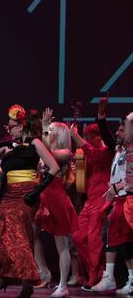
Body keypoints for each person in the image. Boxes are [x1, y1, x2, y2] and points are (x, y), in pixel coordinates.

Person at [0, 105, 59, 297]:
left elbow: (53, 167)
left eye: (11, 126)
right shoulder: (10, 147)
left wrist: (37, 191)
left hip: (26, 194)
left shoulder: (35, 143)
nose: (8, 129)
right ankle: (2, 276)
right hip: (8, 195)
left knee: (18, 237)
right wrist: (2, 145)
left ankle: (27, 282)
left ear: (21, 126)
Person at [87, 101, 133, 294]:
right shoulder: (119, 150)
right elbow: (106, 133)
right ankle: (118, 278)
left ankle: (114, 278)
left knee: (119, 237)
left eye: (122, 130)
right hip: (120, 198)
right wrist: (101, 118)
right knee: (114, 236)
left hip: (128, 198)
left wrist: (117, 186)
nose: (118, 133)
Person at [32, 108, 79, 297]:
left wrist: (43, 127)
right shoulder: (49, 149)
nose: (47, 133)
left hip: (56, 199)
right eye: (47, 130)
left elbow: (48, 154)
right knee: (31, 234)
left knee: (62, 244)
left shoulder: (65, 152)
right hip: (43, 198)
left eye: (51, 130)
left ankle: (63, 285)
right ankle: (43, 273)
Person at [70, 121, 114, 290]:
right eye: (86, 137)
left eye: (89, 137)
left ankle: (95, 277)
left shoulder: (107, 152)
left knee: (95, 240)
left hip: (102, 200)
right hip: (89, 201)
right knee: (78, 237)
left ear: (98, 137)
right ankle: (96, 271)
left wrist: (77, 137)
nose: (87, 140)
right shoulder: (89, 154)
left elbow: (95, 154)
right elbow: (82, 180)